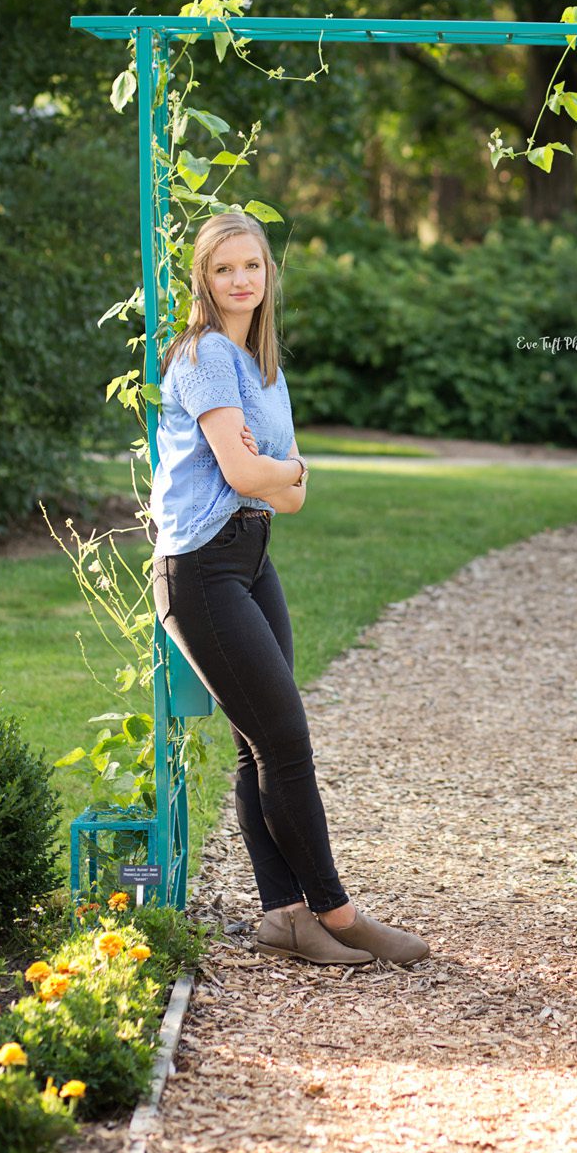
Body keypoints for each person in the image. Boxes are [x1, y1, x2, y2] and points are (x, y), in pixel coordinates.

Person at [149, 212, 428, 967]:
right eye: (223, 269)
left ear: (269, 273)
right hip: (200, 567)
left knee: (259, 745)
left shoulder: (262, 366)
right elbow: (253, 474)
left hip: (251, 556)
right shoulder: (206, 355)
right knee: (285, 741)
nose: (240, 280)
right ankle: (338, 912)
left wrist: (277, 473)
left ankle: (286, 918)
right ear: (204, 280)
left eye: (252, 265)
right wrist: (284, 470)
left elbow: (291, 496)